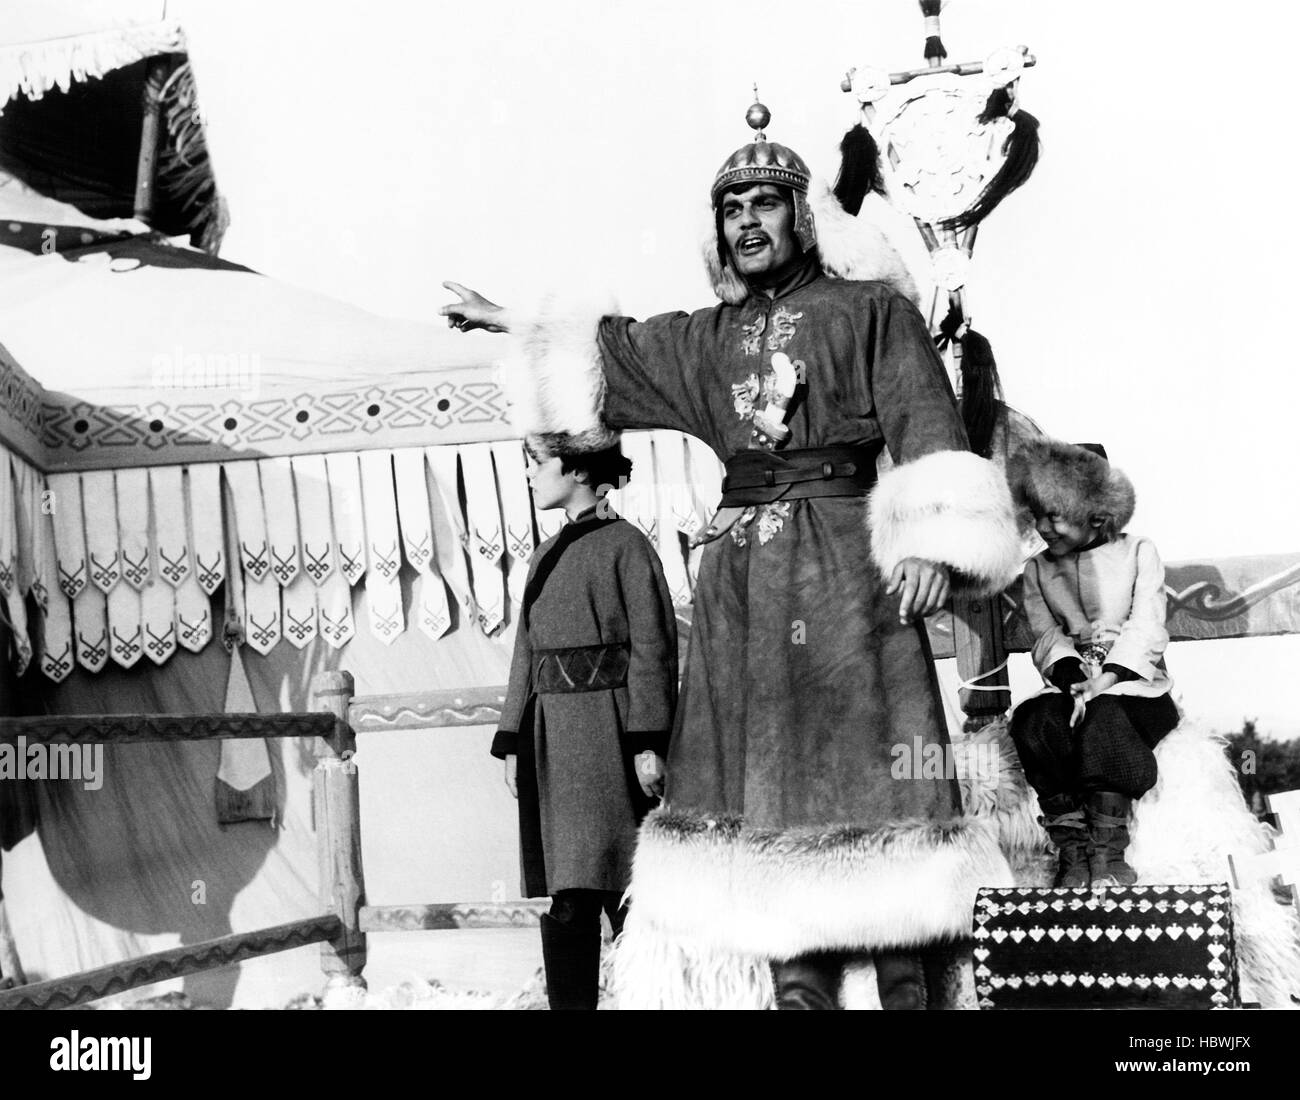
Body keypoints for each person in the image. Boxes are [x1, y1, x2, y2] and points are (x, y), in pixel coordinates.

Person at [445, 105, 1022, 1010]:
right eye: (732, 208)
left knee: (888, 797)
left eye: (766, 203)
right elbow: (607, 353)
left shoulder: (870, 311)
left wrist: (932, 547)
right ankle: (801, 995)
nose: (748, 221)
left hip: (849, 577)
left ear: (803, 217)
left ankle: (910, 991)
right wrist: (504, 319)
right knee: (775, 818)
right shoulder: (707, 338)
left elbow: (927, 425)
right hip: (744, 594)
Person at [490, 433, 677, 1010]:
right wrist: (514, 738)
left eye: (536, 464)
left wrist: (648, 741)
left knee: (628, 891)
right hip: (555, 743)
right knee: (568, 896)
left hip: (611, 735)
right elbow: (527, 651)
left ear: (574, 470)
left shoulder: (628, 546)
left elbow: (653, 645)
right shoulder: (543, 554)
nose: (528, 475)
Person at [1006, 438, 1179, 888]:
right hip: (1074, 690)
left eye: (1055, 515)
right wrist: (1070, 678)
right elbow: (1046, 635)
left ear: (1097, 517)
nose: (1043, 527)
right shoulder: (1037, 570)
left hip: (1134, 690)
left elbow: (1146, 625)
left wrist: (1106, 678)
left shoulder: (1139, 551)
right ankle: (1073, 847)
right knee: (1034, 721)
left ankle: (1108, 850)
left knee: (1103, 718)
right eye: (1037, 514)